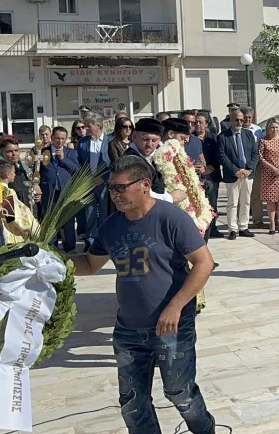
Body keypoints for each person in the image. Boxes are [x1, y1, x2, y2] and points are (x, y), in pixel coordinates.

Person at [73, 156, 217, 434]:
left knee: (180, 393)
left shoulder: (171, 218)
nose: (114, 194)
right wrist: (51, 261)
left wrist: (175, 307)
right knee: (133, 403)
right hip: (128, 328)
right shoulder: (111, 226)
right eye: (111, 188)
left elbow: (204, 263)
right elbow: (90, 265)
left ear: (145, 185)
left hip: (172, 326)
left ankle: (206, 429)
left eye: (121, 187)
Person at [219, 108, 258, 240]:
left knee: (246, 202)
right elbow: (222, 156)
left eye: (242, 120)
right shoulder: (223, 136)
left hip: (247, 174)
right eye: (237, 120)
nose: (240, 122)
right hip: (233, 175)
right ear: (231, 120)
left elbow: (255, 154)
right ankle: (232, 229)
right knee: (232, 203)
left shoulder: (249, 134)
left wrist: (249, 169)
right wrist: (235, 170)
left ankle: (243, 227)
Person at [39, 126, 80, 252]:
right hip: (49, 190)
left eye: (63, 139)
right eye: (57, 138)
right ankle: (52, 247)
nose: (60, 141)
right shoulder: (42, 152)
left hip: (65, 190)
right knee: (50, 220)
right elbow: (38, 171)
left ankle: (70, 247)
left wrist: (63, 159)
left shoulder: (71, 153)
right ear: (52, 138)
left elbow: (77, 169)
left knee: (68, 220)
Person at [76, 112, 111, 250]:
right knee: (89, 213)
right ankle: (90, 241)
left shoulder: (110, 141)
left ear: (98, 125)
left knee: (104, 214)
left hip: (104, 184)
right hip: (88, 184)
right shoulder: (82, 142)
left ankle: (103, 241)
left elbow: (114, 164)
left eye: (88, 126)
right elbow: (79, 163)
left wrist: (103, 178)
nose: (85, 129)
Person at [258, 119, 279, 235]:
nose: (274, 130)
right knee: (271, 200)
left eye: (276, 127)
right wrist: (273, 169)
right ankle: (272, 223)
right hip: (269, 174)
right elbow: (261, 158)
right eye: (272, 127)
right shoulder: (264, 141)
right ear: (268, 129)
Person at [193, 112, 223, 238]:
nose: (198, 124)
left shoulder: (214, 138)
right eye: (196, 122)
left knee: (212, 204)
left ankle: (213, 228)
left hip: (212, 175)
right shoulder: (191, 138)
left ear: (206, 124)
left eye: (200, 122)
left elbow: (220, 155)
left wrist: (210, 167)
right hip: (196, 176)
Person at [0, 135, 40, 211]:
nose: (14, 154)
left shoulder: (23, 170)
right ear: (2, 153)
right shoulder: (0, 173)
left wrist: (35, 192)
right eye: (9, 151)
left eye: (16, 150)